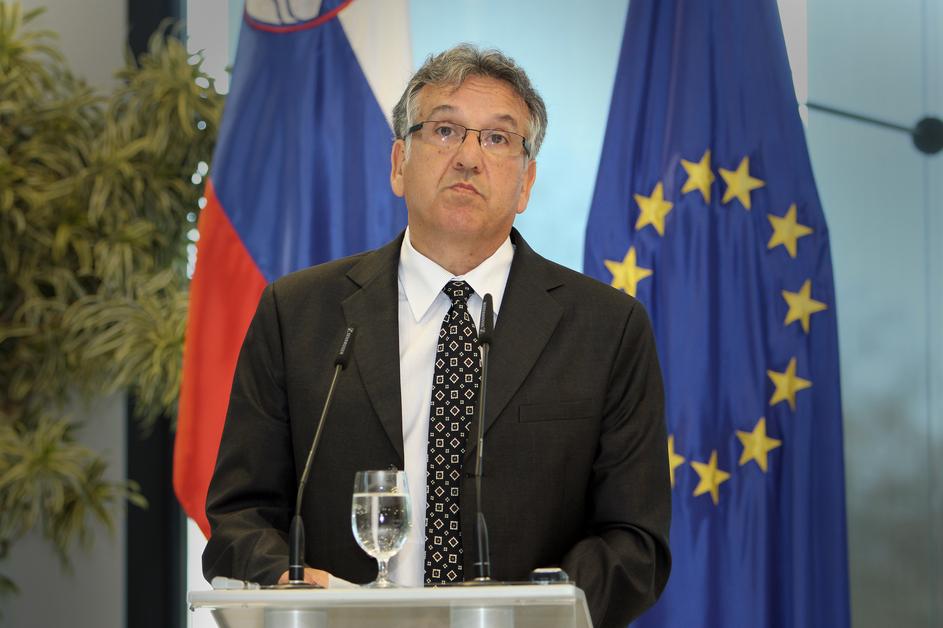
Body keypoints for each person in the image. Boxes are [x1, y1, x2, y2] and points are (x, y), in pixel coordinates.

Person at [203, 44, 671, 628]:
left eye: (498, 138)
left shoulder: (607, 329)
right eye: (445, 130)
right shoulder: (298, 313)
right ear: (399, 163)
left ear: (526, 183)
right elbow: (240, 515)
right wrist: (291, 582)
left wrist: (536, 609)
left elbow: (634, 539)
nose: (469, 158)